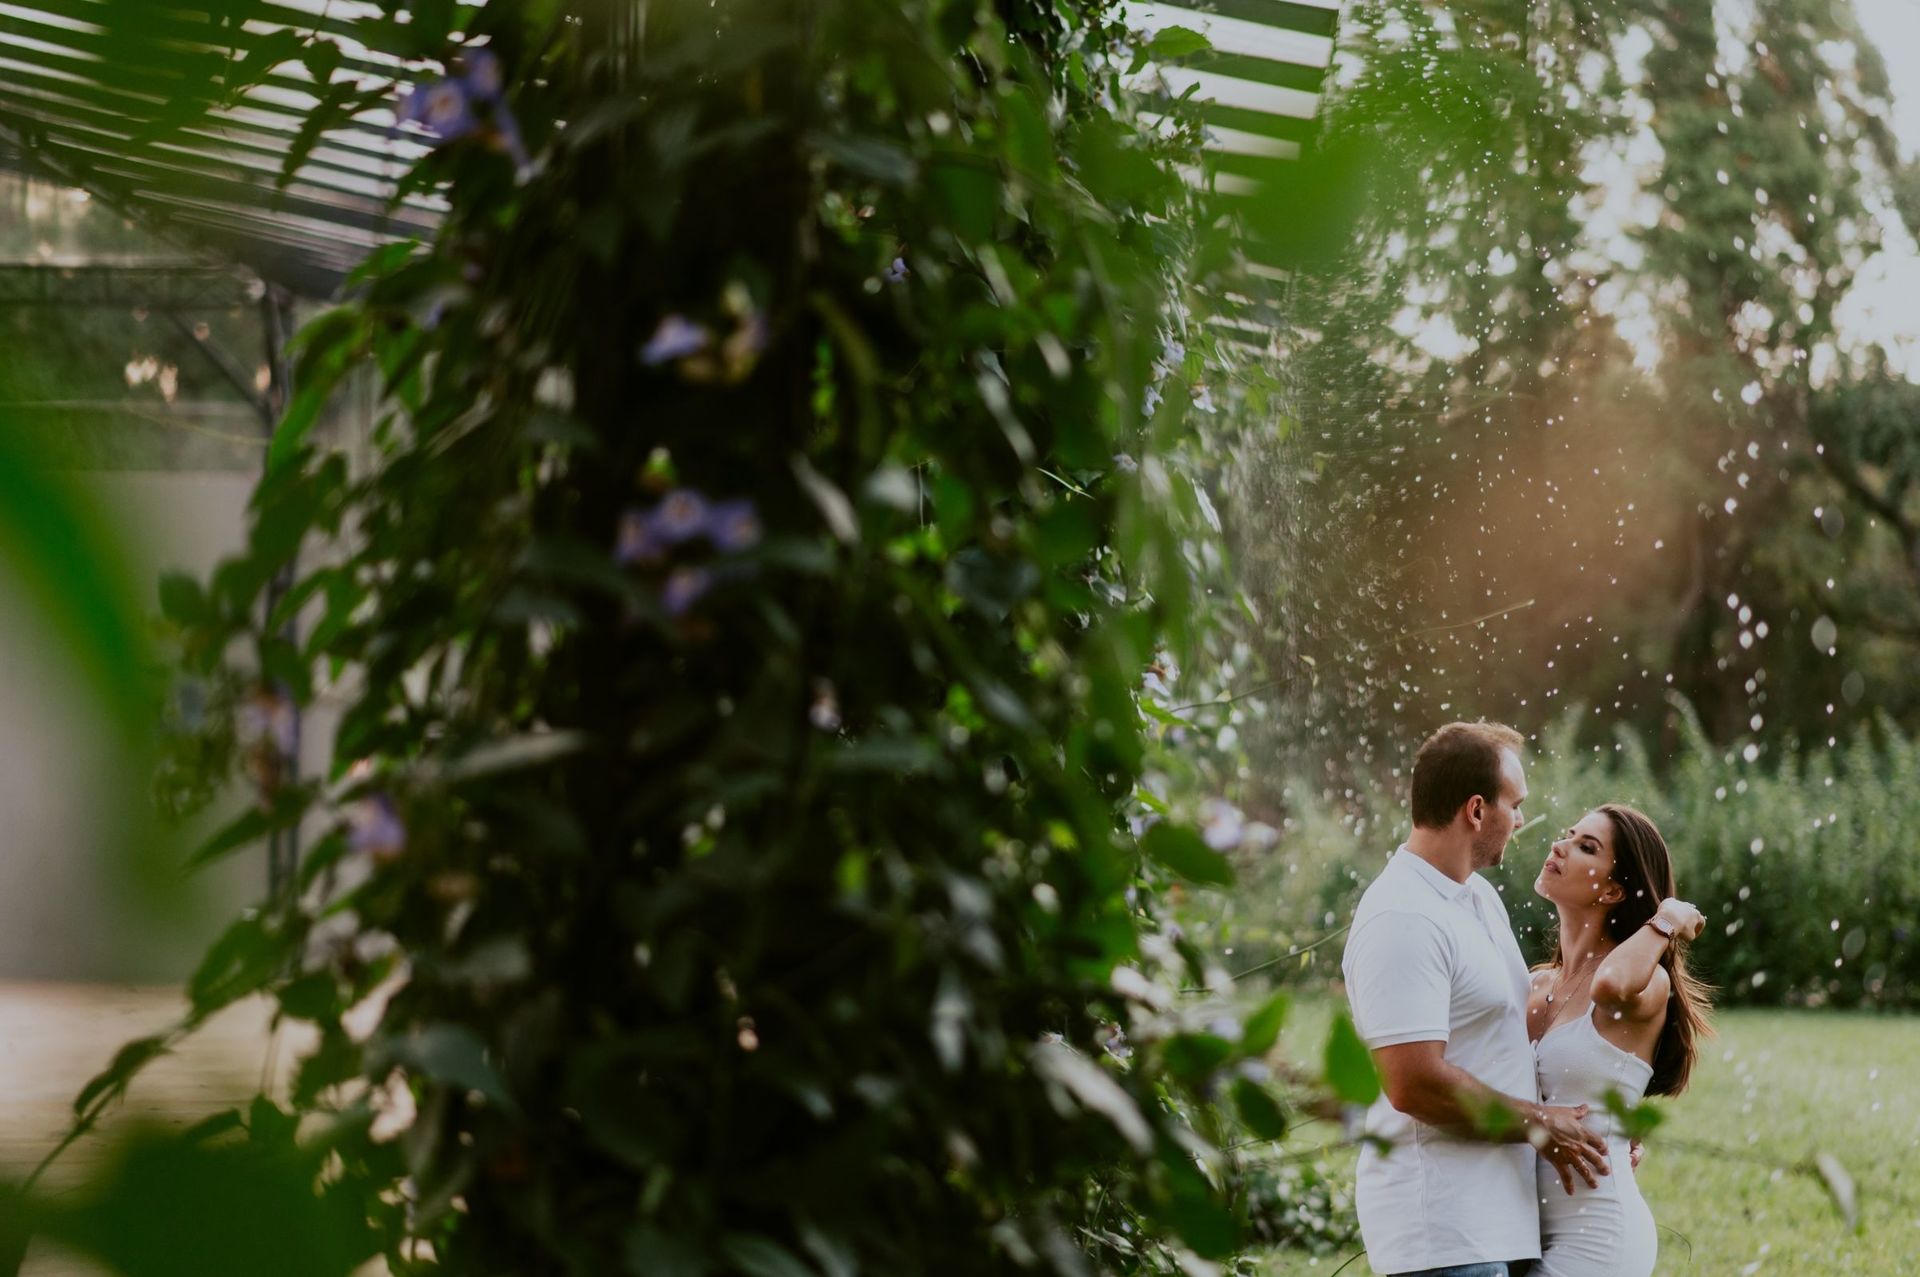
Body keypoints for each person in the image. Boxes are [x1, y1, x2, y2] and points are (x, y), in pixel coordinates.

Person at [1342, 722, 1610, 1277]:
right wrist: (1540, 1122)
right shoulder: (1403, 915)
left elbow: (1507, 1038)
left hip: (1499, 1222)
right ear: (1476, 810)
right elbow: (1412, 1082)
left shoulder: (1477, 898)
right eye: (1515, 804)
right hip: (1443, 1235)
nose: (1521, 820)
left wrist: (1595, 1132)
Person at [1527, 804, 1711, 1277]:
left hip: (1598, 1239)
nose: (1559, 846)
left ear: (1612, 889)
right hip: (1523, 1232)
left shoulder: (1646, 985)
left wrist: (1667, 918)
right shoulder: (1535, 987)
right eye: (1568, 834)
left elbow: (1606, 985)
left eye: (1586, 846)